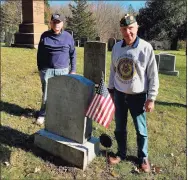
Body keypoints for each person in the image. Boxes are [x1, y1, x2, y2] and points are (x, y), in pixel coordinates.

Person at [107, 14, 159, 173]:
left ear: (137, 27)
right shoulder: (116, 47)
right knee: (119, 127)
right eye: (124, 29)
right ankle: (121, 153)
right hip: (119, 94)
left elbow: (152, 75)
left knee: (140, 129)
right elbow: (112, 70)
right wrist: (110, 90)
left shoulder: (145, 47)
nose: (127, 32)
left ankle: (143, 157)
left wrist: (151, 98)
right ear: (121, 30)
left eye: (130, 28)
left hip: (138, 96)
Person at [36, 13, 76, 125]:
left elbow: (73, 54)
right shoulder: (44, 36)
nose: (56, 24)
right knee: (46, 95)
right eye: (54, 22)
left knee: (63, 94)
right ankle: (43, 114)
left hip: (63, 71)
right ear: (51, 23)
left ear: (62, 23)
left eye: (58, 22)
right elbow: (39, 54)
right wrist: (41, 69)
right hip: (47, 71)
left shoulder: (68, 37)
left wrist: (73, 70)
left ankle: (60, 114)